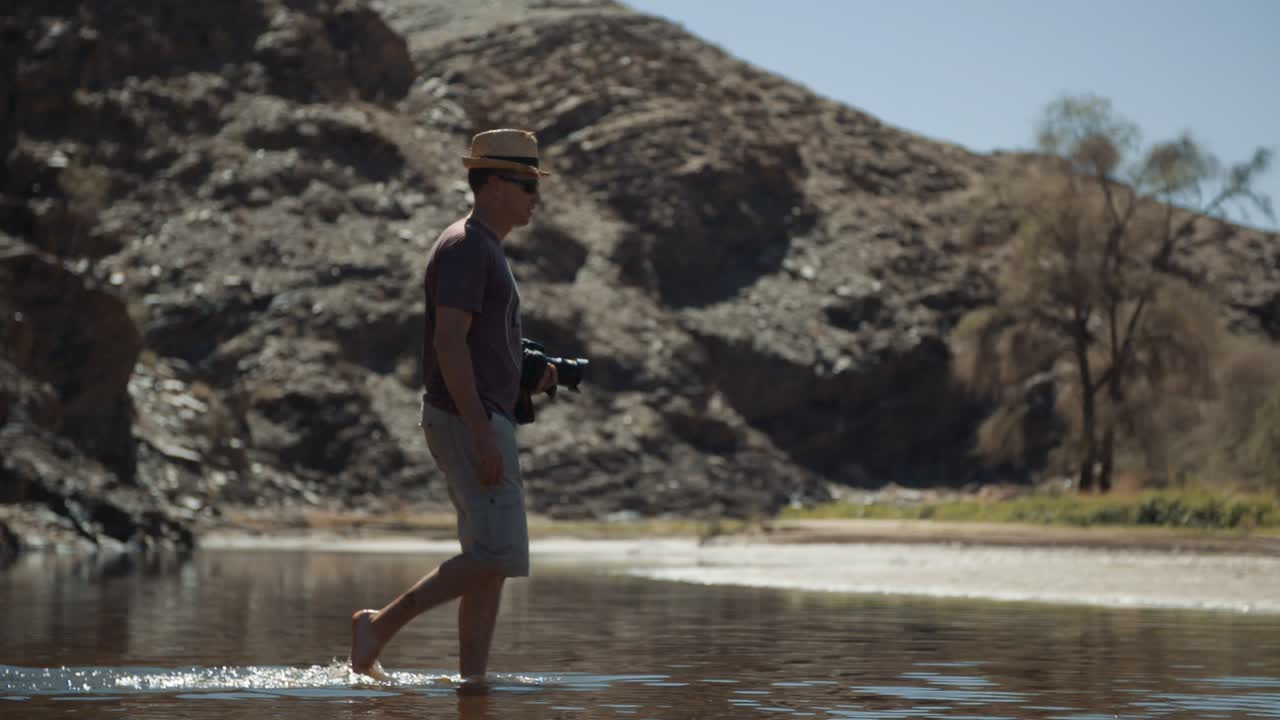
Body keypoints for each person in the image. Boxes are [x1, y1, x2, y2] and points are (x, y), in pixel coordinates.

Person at [349, 129, 556, 685]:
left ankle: (473, 683)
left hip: (478, 414)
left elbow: (474, 345)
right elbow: (448, 342)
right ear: (493, 185)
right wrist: (482, 431)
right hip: (470, 419)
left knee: (489, 559)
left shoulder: (482, 247)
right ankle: (378, 626)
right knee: (498, 553)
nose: (535, 197)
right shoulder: (467, 246)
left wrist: (525, 376)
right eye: (526, 185)